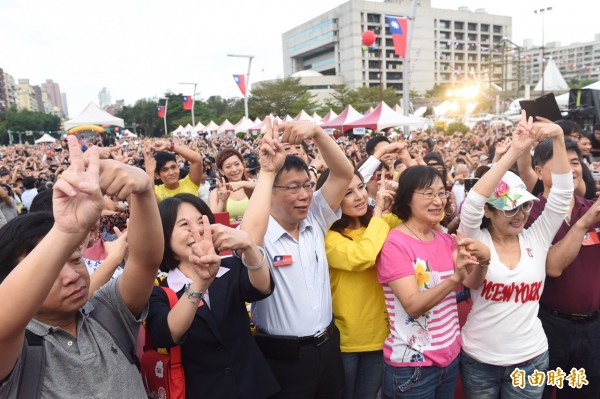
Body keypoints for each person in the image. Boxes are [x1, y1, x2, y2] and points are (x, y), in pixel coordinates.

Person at [0, 136, 163, 398]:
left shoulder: (107, 312)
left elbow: (146, 261)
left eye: (75, 259)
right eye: (52, 270)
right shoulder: (17, 351)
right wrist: (66, 231)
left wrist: (143, 188)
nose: (72, 276)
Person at [458, 111, 573, 399]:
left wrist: (558, 139)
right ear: (490, 210)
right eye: (509, 208)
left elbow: (561, 196)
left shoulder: (536, 236)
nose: (520, 215)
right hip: (479, 361)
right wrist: (515, 151)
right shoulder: (475, 238)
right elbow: (472, 203)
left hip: (531, 359)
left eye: (523, 206)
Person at [241, 117, 354, 398]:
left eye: (307, 185)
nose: (304, 195)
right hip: (282, 358)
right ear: (271, 192)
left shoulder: (315, 217)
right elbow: (248, 240)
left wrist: (317, 132)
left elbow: (343, 174)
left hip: (328, 348)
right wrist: (267, 171)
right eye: (292, 187)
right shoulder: (260, 229)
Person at [145, 193, 278, 398]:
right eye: (184, 225)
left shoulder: (229, 268)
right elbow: (168, 334)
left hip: (255, 387)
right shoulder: (160, 292)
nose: (196, 231)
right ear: (164, 235)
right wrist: (200, 282)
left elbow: (262, 287)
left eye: (201, 221)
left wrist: (249, 245)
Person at [377, 165, 487, 399]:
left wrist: (484, 262)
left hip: (448, 359)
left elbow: (472, 283)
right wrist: (455, 278)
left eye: (441, 193)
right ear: (407, 197)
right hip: (413, 366)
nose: (437, 200)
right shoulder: (394, 244)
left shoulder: (445, 240)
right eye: (428, 193)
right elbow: (413, 306)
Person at [525, 138, 600, 399]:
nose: (570, 170)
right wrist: (584, 225)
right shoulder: (529, 214)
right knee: (540, 391)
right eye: (560, 163)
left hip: (592, 328)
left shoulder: (590, 208)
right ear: (539, 172)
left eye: (575, 163)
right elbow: (552, 268)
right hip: (549, 325)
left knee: (583, 392)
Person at [317, 169, 396, 399]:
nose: (360, 196)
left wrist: (398, 193)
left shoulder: (378, 223)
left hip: (380, 335)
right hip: (346, 341)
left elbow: (422, 217)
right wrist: (379, 210)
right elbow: (364, 256)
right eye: (348, 192)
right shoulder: (329, 238)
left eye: (361, 187)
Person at [209, 149, 255, 223]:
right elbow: (214, 221)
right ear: (221, 171)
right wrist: (222, 201)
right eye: (228, 166)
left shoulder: (253, 186)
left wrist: (245, 184)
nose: (234, 169)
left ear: (243, 165)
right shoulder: (215, 193)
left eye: (237, 164)